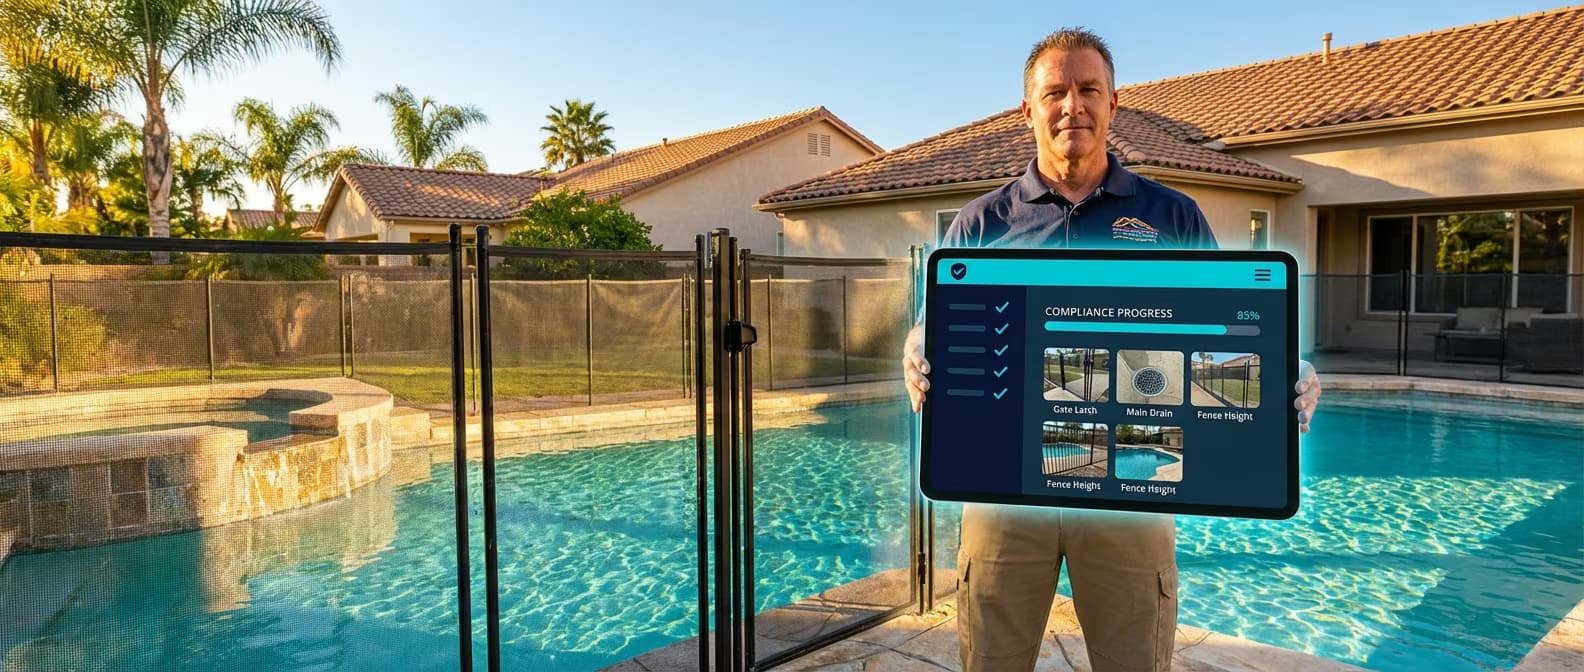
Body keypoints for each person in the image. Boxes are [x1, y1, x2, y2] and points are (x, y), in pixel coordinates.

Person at [901, 28, 1324, 672]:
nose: (1072, 106)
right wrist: (916, 344)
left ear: (1112, 103)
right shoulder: (981, 223)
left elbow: (1226, 328)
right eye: (1055, 92)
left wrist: (1284, 369)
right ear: (1029, 110)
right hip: (1002, 495)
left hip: (1133, 496)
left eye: (1088, 89)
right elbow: (936, 328)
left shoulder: (1173, 217)